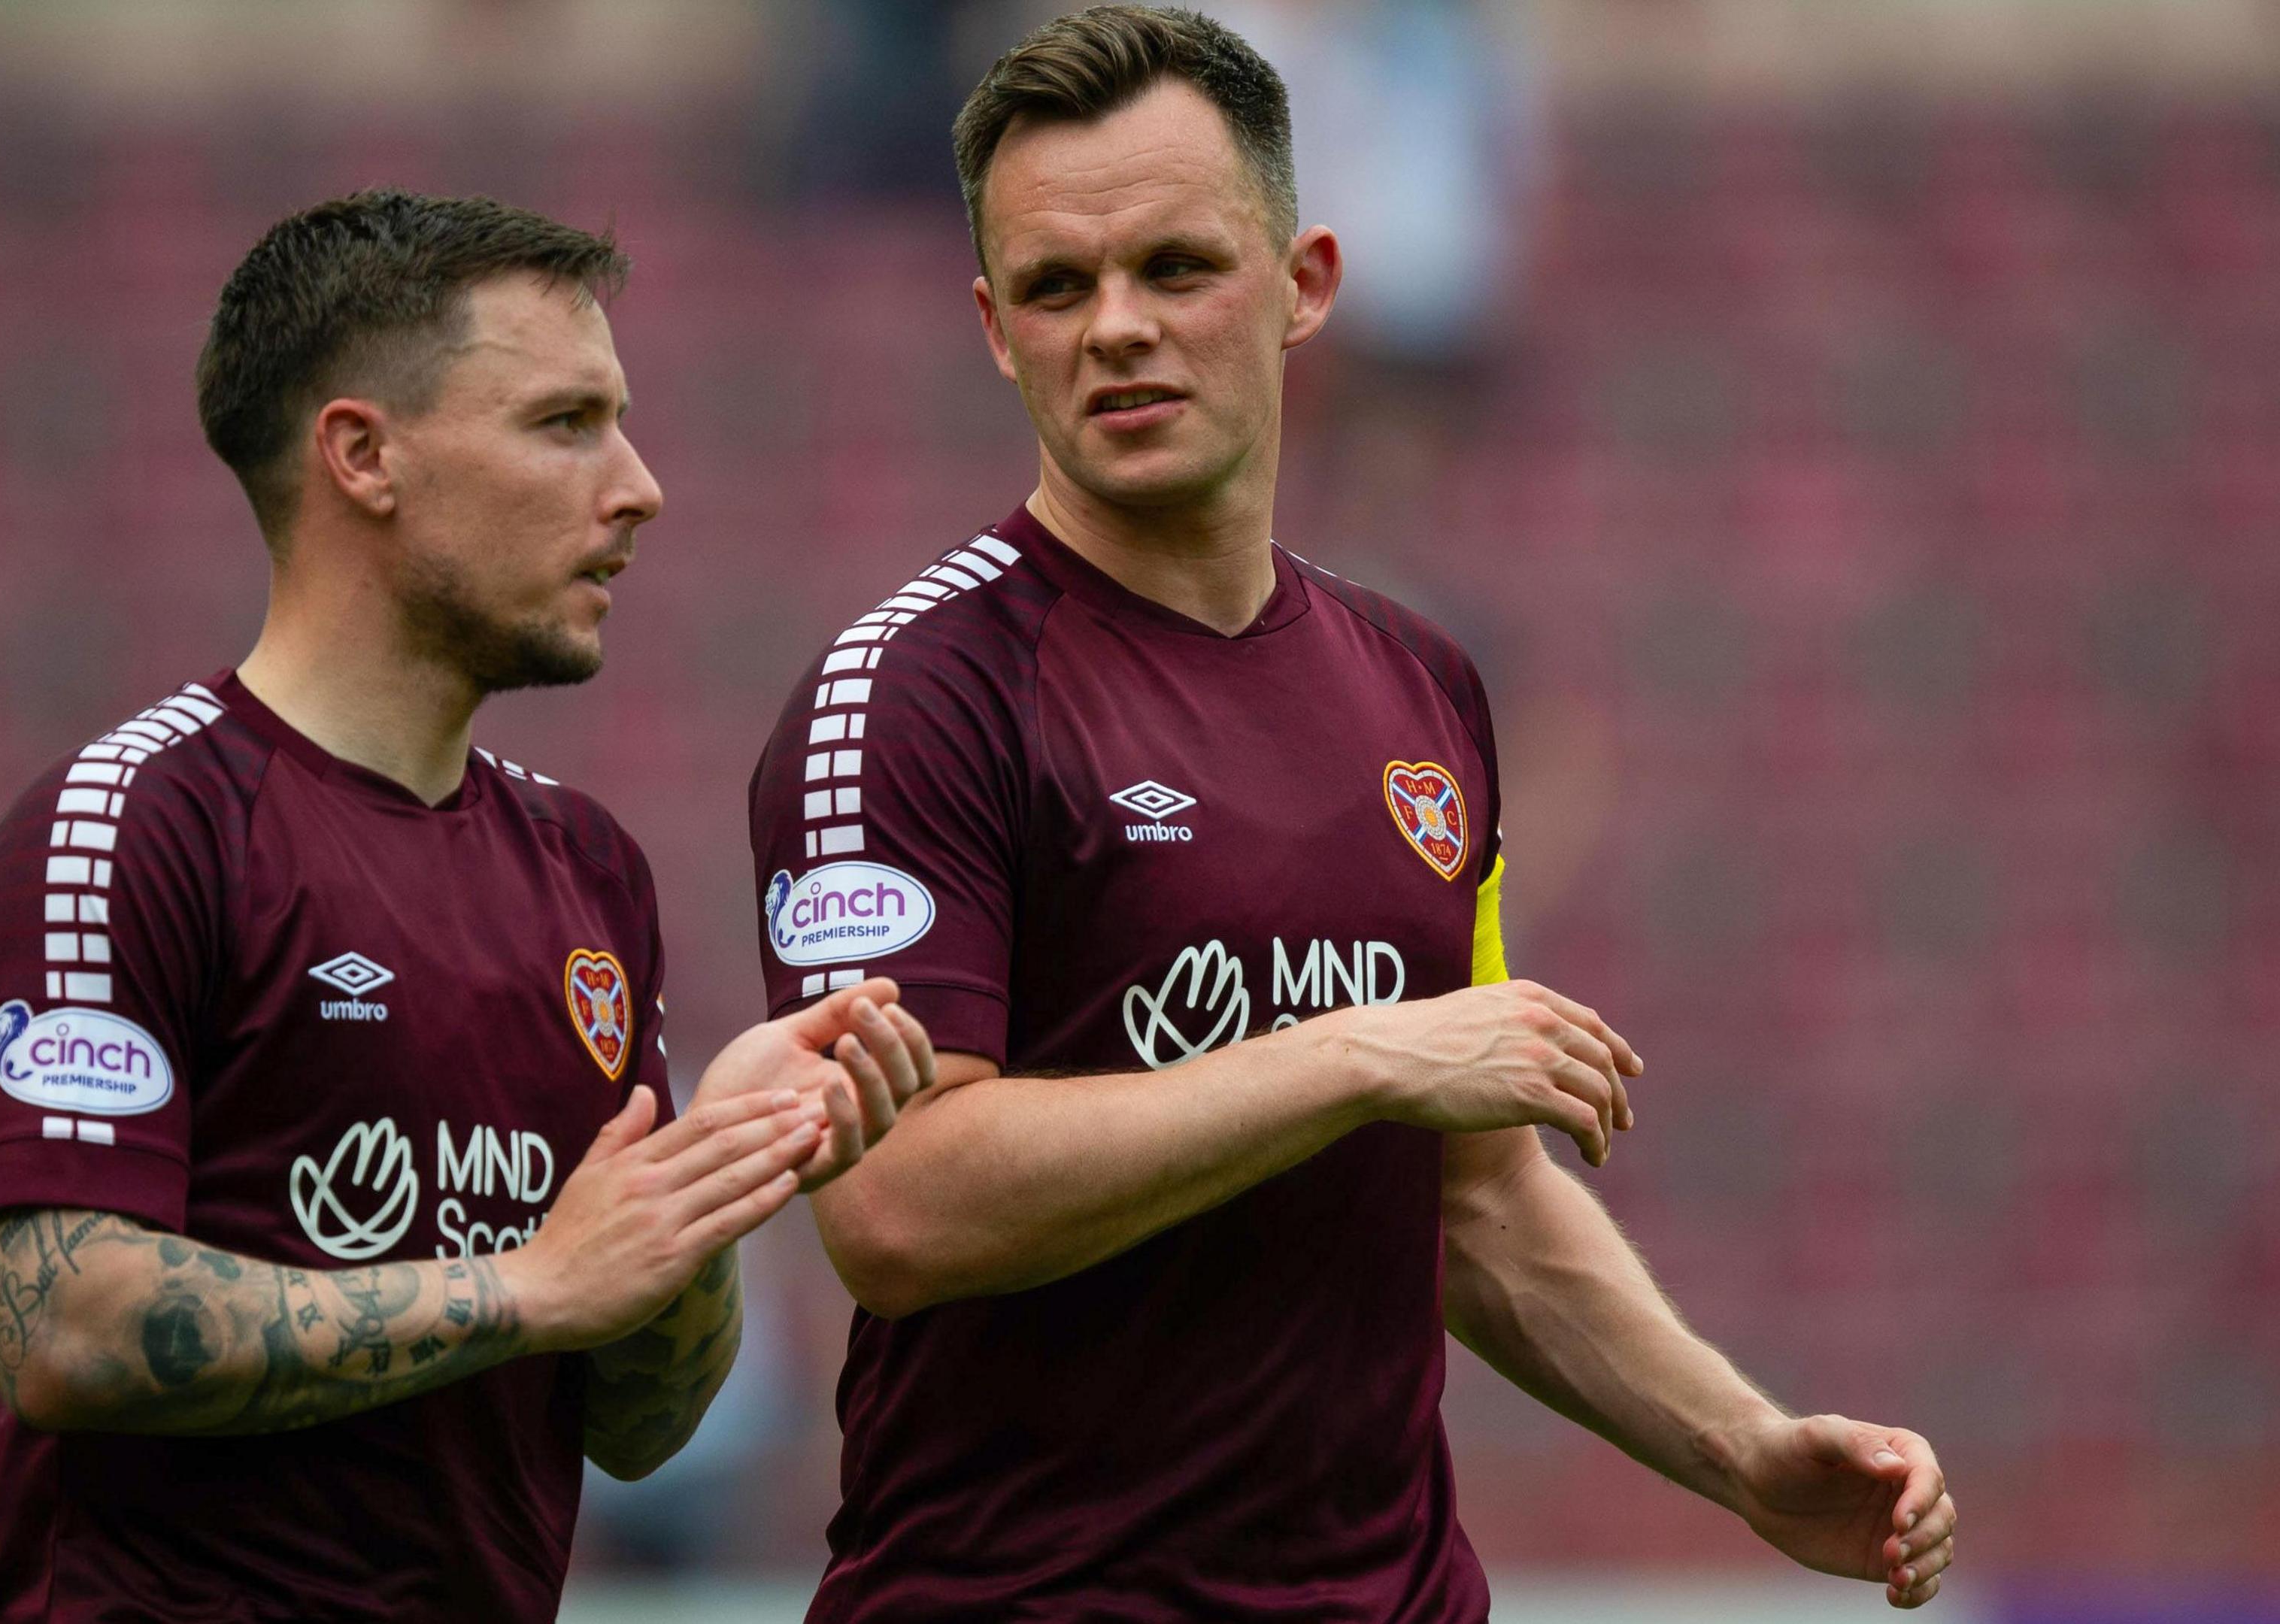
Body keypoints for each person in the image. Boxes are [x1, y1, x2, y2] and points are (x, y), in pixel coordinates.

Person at [745, 8, 1956, 1619]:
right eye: (1057, 284)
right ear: (992, 326)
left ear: (1305, 282)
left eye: (1177, 267)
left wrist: (1741, 1448)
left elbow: (1479, 1192)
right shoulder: (913, 696)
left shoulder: (1424, 692)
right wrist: (1355, 1053)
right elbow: (896, 1209)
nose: (1117, 326)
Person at [0, 190, 935, 1622]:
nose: (640, 484)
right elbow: (67, 1329)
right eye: (564, 423)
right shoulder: (128, 831)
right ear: (363, 455)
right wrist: (525, 1286)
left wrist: (716, 1175)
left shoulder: (585, 868)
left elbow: (637, 1423)